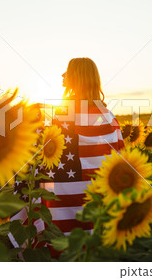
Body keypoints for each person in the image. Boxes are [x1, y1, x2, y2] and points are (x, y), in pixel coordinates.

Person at [39, 57, 125, 236]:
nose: (63, 75)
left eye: (68, 71)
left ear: (77, 77)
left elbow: (46, 151)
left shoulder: (63, 114)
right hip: (97, 195)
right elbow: (120, 155)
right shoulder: (109, 117)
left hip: (65, 197)